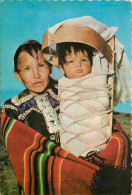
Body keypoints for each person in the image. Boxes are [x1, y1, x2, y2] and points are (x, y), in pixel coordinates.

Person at [56, 42, 111, 157]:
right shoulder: (63, 84)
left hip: (95, 141)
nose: (78, 65)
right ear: (61, 68)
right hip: (69, 143)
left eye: (84, 60)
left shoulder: (97, 78)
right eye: (71, 61)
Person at [2, 40, 61, 145]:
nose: (36, 75)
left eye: (41, 66)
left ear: (51, 67)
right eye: (27, 68)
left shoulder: (67, 93)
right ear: (17, 75)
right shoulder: (13, 107)